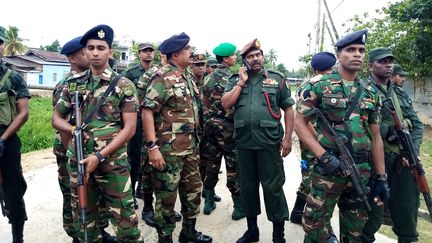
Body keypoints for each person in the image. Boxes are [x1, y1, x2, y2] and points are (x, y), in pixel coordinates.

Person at [295, 29, 390, 243]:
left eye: (361, 50)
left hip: (361, 171)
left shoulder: (370, 92)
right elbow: (300, 122)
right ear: (338, 55)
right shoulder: (318, 85)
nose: (357, 54)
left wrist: (381, 176)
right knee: (315, 226)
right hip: (328, 170)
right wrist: (323, 156)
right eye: (351, 50)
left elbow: (375, 137)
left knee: (355, 230)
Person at [52, 24, 143, 243]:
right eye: (90, 48)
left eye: (101, 47)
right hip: (81, 162)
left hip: (113, 164)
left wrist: (99, 156)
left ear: (110, 52)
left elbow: (129, 129)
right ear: (84, 52)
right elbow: (56, 118)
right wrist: (73, 130)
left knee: (126, 224)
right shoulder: (73, 84)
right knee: (85, 224)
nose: (95, 52)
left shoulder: (124, 85)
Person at [221, 38, 294, 243]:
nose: (255, 59)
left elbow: (288, 108)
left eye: (258, 55)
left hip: (269, 144)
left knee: (273, 189)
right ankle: (252, 231)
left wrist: (287, 138)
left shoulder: (276, 79)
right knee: (247, 188)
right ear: (244, 60)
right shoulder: (235, 79)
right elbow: (226, 104)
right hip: (244, 144)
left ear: (263, 57)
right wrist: (241, 83)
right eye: (251, 56)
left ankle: (278, 235)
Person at [141, 32, 212, 243]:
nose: (191, 53)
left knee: (193, 192)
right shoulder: (162, 77)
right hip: (168, 152)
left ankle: (188, 232)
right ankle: (165, 238)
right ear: (176, 54)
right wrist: (152, 147)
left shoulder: (187, 76)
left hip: (190, 149)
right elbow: (147, 111)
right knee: (166, 198)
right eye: (188, 49)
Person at [362, 47, 424, 243]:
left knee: (407, 212)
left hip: (402, 161)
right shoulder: (361, 92)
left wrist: (412, 150)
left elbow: (417, 124)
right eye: (382, 61)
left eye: (390, 61)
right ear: (371, 66)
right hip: (373, 163)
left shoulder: (400, 94)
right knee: (370, 215)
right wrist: (386, 131)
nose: (388, 65)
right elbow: (357, 127)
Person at [135, 52, 182, 227]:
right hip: (151, 132)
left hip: (170, 137)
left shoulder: (178, 73)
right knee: (147, 171)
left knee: (168, 176)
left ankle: (165, 208)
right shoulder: (151, 74)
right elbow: (141, 103)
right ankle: (148, 207)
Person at [290, 51, 336, 225]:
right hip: (313, 139)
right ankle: (304, 214)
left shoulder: (306, 84)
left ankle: (298, 212)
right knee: (312, 177)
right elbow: (302, 118)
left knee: (310, 175)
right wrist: (316, 138)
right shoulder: (313, 86)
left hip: (313, 139)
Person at [200, 42, 245, 220]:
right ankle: (238, 207)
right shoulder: (233, 78)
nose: (235, 57)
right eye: (233, 55)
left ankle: (208, 201)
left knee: (211, 163)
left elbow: (205, 103)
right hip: (228, 127)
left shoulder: (207, 77)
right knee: (233, 166)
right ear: (226, 59)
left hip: (210, 126)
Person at [0, 25, 30, 243]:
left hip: (6, 138)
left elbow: (23, 113)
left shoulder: (14, 78)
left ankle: (17, 238)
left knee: (13, 189)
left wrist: (2, 139)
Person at [122, 42, 155, 208]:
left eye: (150, 51)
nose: (148, 54)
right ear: (139, 54)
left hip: (152, 121)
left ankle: (142, 187)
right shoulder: (130, 72)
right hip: (136, 120)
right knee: (134, 157)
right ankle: (131, 192)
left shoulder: (157, 72)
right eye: (145, 51)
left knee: (148, 156)